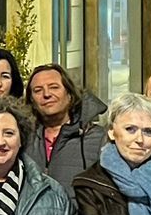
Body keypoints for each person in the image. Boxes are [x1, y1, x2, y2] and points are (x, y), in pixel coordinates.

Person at [22, 64, 108, 194]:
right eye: (38, 90)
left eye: (54, 87)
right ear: (31, 100)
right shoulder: (23, 138)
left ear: (69, 94)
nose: (46, 94)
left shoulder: (98, 138)